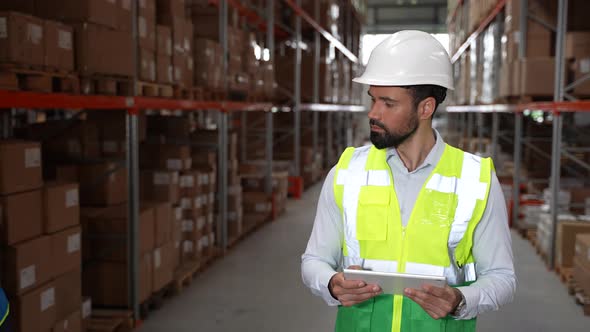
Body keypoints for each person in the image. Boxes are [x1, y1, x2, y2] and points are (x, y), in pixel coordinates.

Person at [301, 30, 516, 332]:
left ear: (425, 108)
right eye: (373, 99)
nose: (373, 113)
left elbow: (502, 276)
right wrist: (332, 284)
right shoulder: (347, 172)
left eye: (388, 104)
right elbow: (314, 259)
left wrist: (460, 299)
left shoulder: (475, 179)